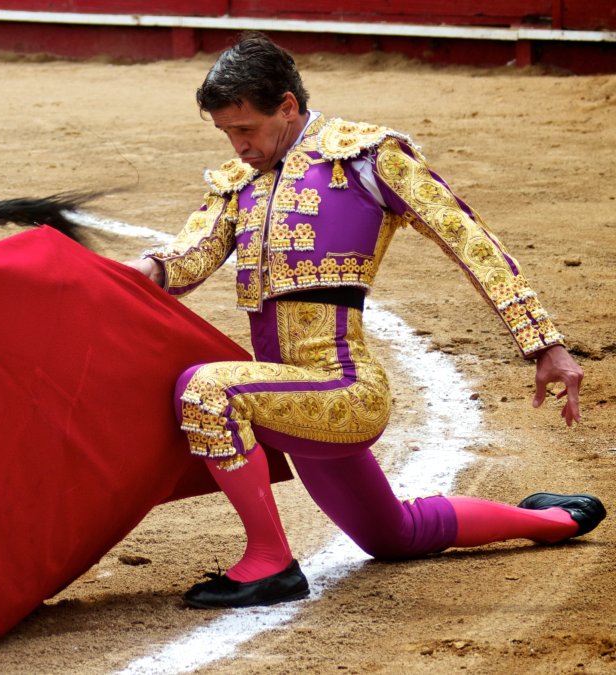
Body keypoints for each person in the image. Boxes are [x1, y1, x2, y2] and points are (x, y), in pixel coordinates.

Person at [127, 32, 605, 608]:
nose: (238, 145)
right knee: (392, 536)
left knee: (207, 391)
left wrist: (542, 342)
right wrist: (142, 268)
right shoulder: (241, 181)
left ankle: (270, 563)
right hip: (289, 394)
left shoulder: (365, 157)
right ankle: (555, 520)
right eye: (226, 132)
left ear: (287, 106)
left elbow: (467, 238)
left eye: (246, 129)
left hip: (345, 389)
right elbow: (192, 255)